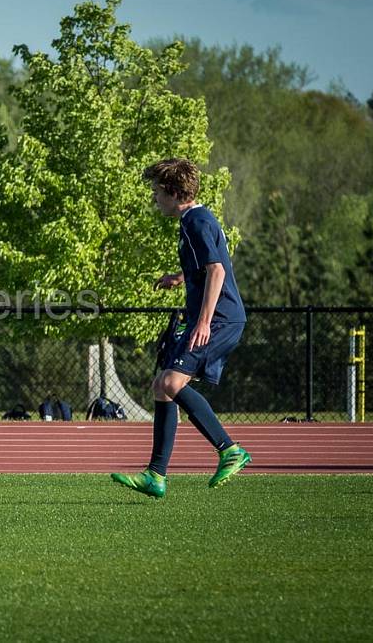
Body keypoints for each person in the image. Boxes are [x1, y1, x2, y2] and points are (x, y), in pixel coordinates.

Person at [111, 158, 250, 499]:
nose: (155, 198)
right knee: (161, 385)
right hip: (215, 316)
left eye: (157, 192)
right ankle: (155, 475)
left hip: (218, 319)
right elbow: (207, 266)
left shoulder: (196, 221)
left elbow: (217, 272)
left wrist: (203, 321)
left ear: (174, 193)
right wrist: (181, 277)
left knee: (172, 382)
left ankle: (229, 449)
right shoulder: (194, 219)